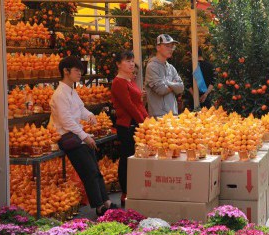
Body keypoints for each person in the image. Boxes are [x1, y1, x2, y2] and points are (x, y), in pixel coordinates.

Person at [50, 56, 116, 216]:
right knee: (89, 171)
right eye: (76, 70)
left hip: (77, 134)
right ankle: (99, 206)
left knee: (95, 169)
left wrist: (91, 116)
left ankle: (105, 201)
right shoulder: (59, 94)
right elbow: (66, 121)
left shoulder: (72, 91)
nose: (80, 73)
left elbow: (80, 109)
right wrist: (84, 136)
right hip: (68, 137)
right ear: (66, 71)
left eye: (81, 70)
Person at [110, 51, 148, 207]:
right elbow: (129, 106)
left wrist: (147, 120)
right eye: (127, 61)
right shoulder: (118, 82)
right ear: (118, 64)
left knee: (135, 159)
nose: (131, 64)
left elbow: (138, 104)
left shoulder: (130, 80)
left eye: (132, 61)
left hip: (136, 124)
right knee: (127, 159)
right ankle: (125, 192)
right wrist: (143, 122)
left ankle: (134, 190)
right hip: (127, 126)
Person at [145, 34, 184, 117]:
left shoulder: (171, 67)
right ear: (158, 47)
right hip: (158, 117)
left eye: (172, 46)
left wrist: (166, 82)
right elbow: (161, 90)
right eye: (167, 46)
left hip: (173, 115)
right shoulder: (152, 66)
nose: (171, 49)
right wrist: (174, 84)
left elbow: (181, 88)